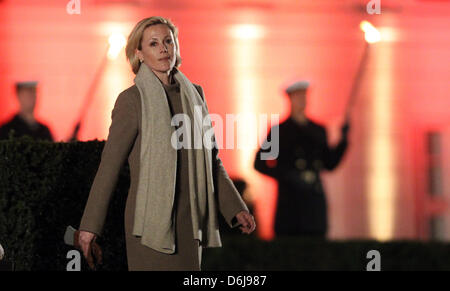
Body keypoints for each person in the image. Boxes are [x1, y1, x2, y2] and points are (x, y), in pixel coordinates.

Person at [77, 16, 256, 271]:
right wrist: (89, 226)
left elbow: (212, 160)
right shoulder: (132, 101)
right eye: (153, 44)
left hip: (190, 222)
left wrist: (236, 208)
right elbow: (109, 167)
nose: (163, 48)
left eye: (168, 41)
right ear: (139, 53)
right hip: (150, 227)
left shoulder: (195, 96)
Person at [254, 80, 349, 238]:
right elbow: (259, 164)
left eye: (304, 95)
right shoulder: (279, 132)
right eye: (297, 95)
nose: (302, 99)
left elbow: (330, 163)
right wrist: (288, 175)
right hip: (289, 208)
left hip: (314, 209)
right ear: (290, 98)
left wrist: (343, 141)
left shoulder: (318, 130)